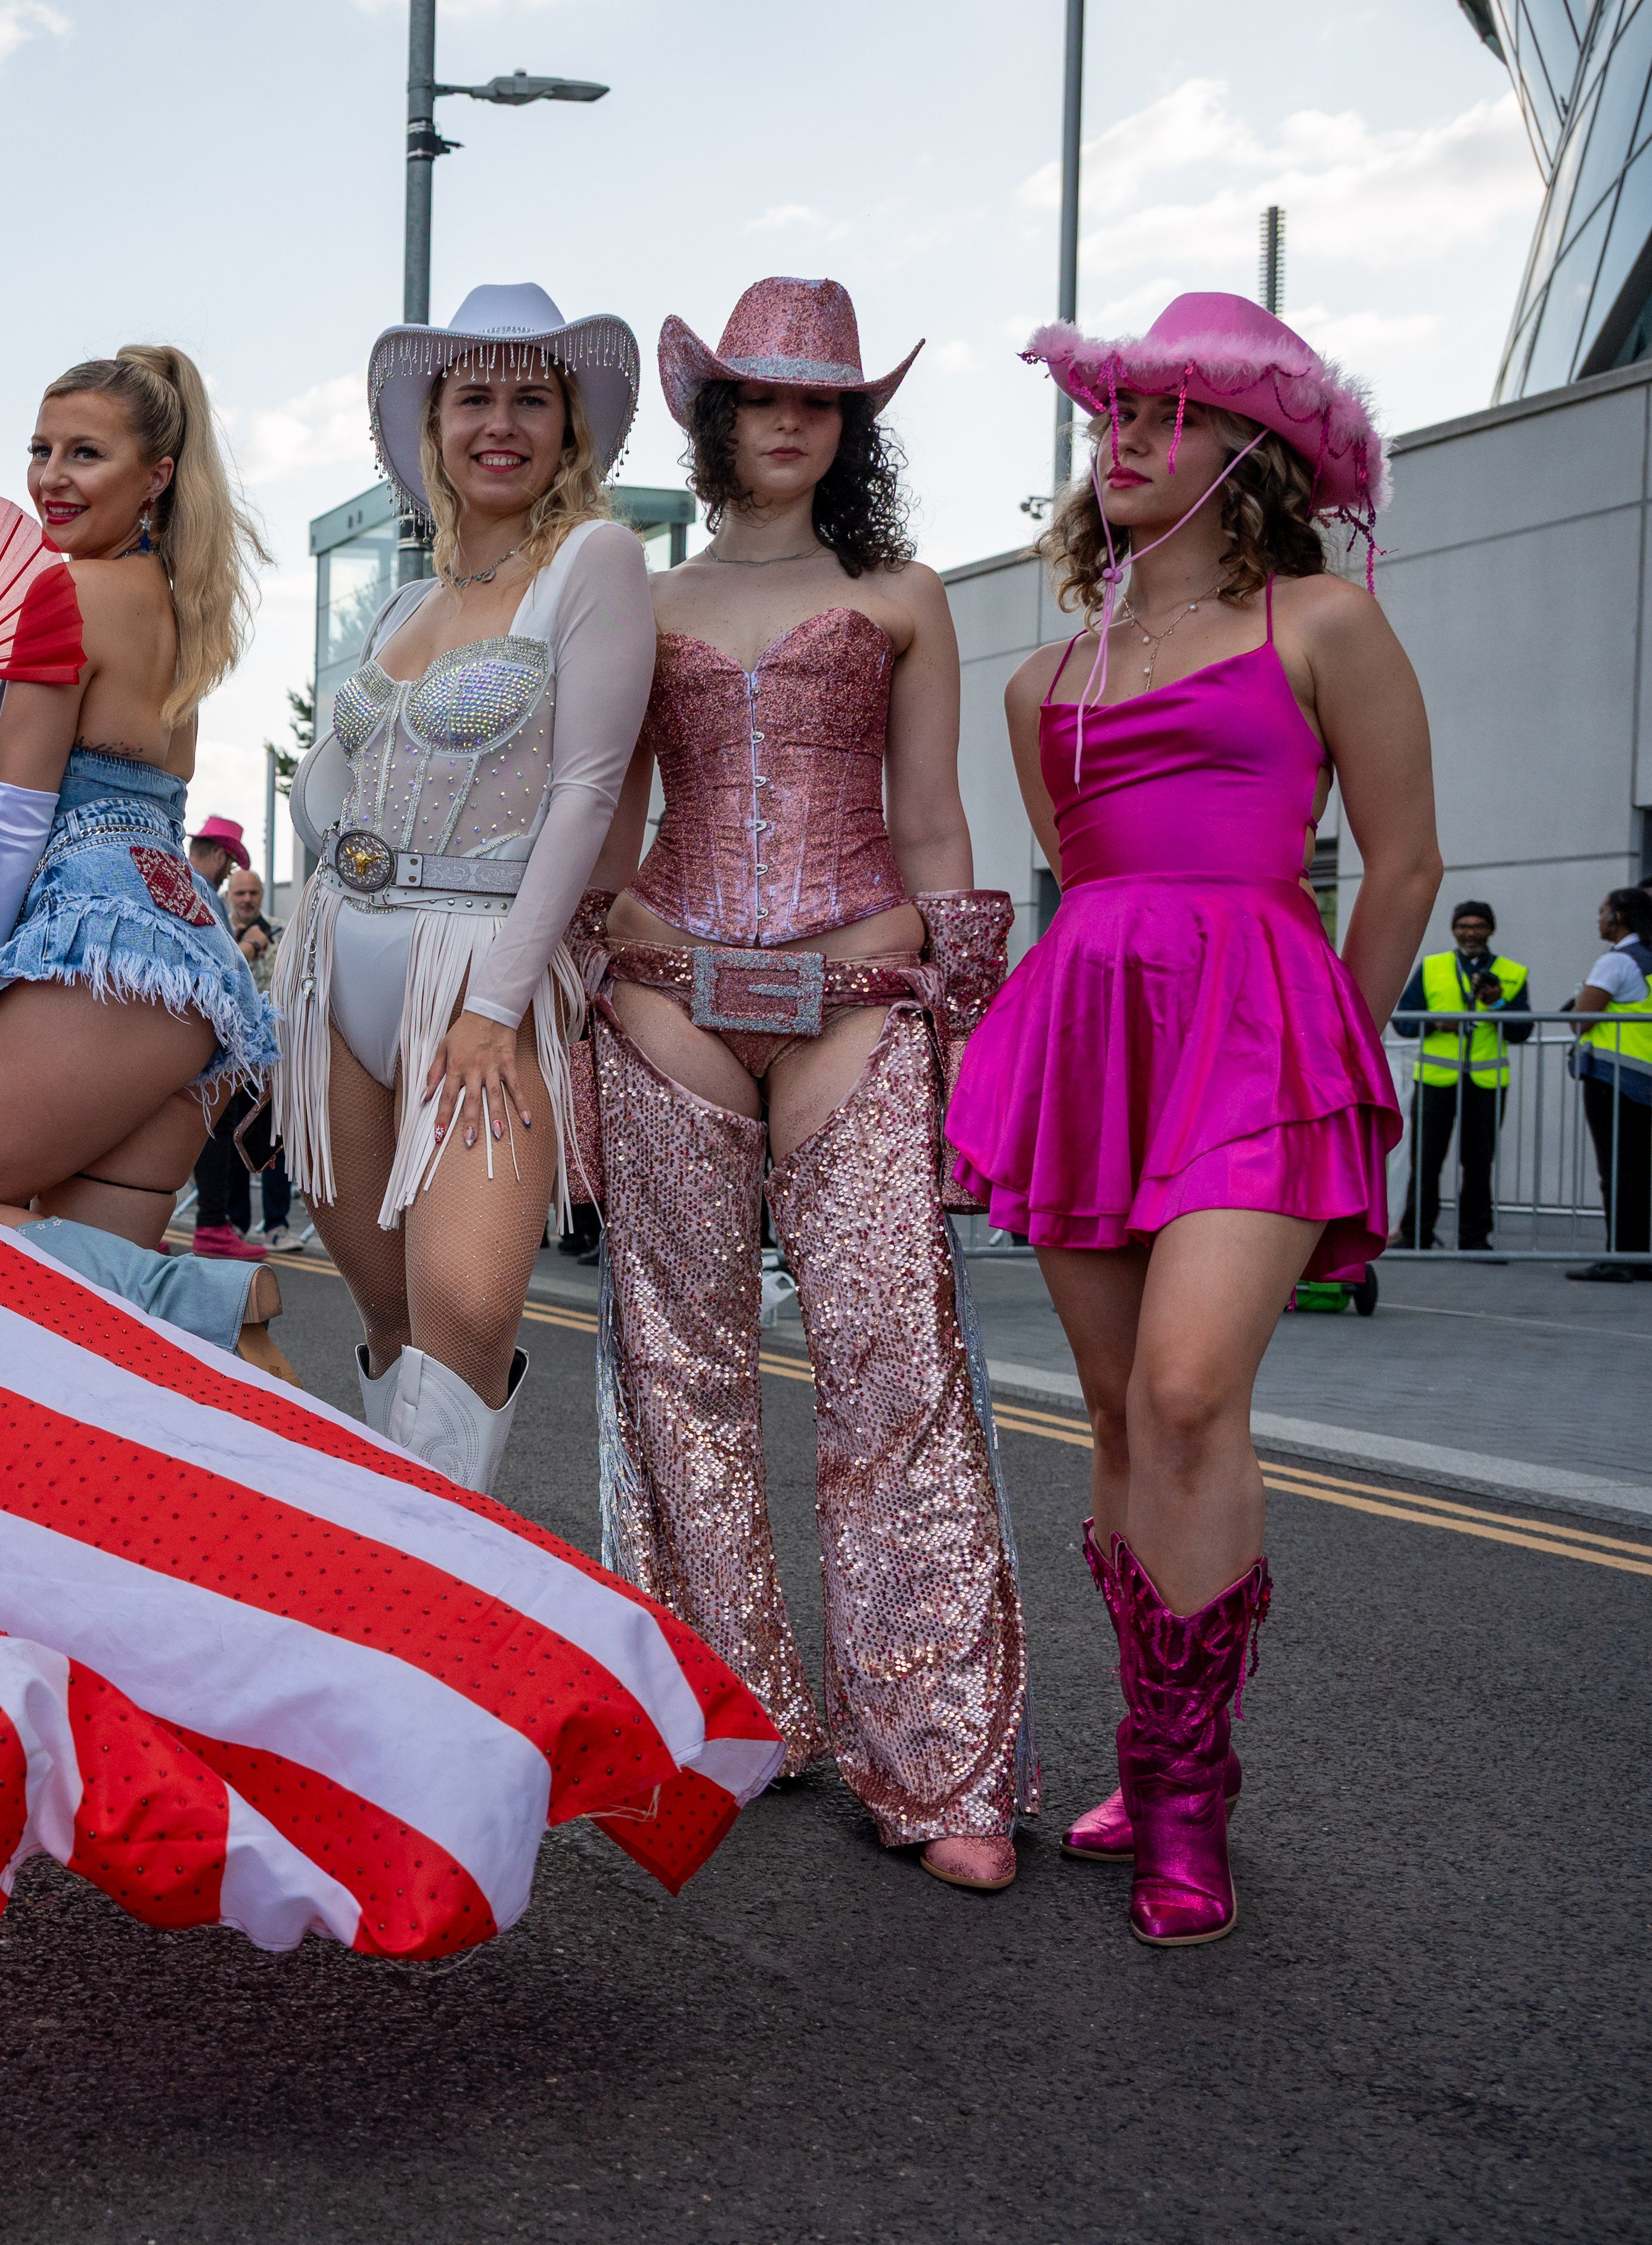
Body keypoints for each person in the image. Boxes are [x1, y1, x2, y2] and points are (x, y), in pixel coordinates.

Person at [948, 294, 1439, 1945]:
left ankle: (1186, 1789)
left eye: (1163, 414)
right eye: (1112, 416)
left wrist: (1323, 1061)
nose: (1122, 439)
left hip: (1260, 1041)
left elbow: (1404, 861)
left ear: (1252, 449)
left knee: (1184, 1385)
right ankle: (1143, 1754)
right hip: (1091, 1035)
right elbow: (1086, 888)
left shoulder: (1322, 622)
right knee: (1109, 1412)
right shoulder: (1039, 679)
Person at [577, 279, 1027, 1893]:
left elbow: (933, 823)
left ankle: (935, 1751)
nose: (789, 420)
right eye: (761, 395)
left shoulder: (901, 591)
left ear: (850, 426)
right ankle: (728, 1703)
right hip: (670, 988)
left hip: (857, 984)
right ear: (712, 419)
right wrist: (594, 957)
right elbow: (601, 809)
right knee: (677, 1365)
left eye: (820, 399)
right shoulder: (634, 592)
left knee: (887, 1363)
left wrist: (963, 1035)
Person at [274, 285, 653, 1488]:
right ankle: (400, 1593)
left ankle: (434, 1614)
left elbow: (588, 790)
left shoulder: (593, 558)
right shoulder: (403, 599)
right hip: (340, 966)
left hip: (477, 970)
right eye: (473, 396)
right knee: (389, 1313)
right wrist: (318, 915)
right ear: (432, 424)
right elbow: (316, 782)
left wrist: (495, 1004)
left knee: (468, 1310)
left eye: (530, 398)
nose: (501, 423)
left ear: (569, 427)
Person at [0, 346, 288, 1372]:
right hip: (194, 978)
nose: (51, 478)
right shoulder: (179, 608)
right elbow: (86, 804)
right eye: (40, 450)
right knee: (72, 1347)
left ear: (155, 475)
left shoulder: (62, 590)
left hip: (99, 956)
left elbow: (18, 829)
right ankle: (213, 1334)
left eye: (86, 453)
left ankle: (189, 1293)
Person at [1390, 900, 1531, 1252]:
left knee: (1479, 1163)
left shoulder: (1512, 972)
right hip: (1437, 1080)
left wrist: (1498, 1004)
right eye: (1464, 926)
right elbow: (1404, 1020)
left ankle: (1475, 1238)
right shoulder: (1433, 967)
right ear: (1454, 930)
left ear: (1491, 930)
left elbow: (1521, 1032)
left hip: (1486, 1083)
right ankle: (1416, 1235)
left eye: (1479, 926)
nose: (1471, 933)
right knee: (1426, 1161)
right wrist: (1437, 1023)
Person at [192, 863, 293, 1257]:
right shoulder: (217, 934)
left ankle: (277, 1226)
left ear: (262, 895)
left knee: (273, 1142)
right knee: (230, 1141)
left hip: (274, 1052)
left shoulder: (282, 932)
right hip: (232, 1054)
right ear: (230, 897)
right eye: (240, 894)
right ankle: (230, 1223)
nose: (247, 899)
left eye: (253, 893)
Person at [1565, 885, 1652, 1280]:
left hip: (1613, 1079)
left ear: (1618, 917)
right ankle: (1642, 1257)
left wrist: (1580, 996)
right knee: (1641, 1171)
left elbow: (1581, 1020)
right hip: (1645, 1080)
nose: (1598, 919)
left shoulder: (1617, 962)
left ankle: (1620, 1258)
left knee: (1616, 1171)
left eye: (1602, 912)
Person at [187, 815, 249, 916]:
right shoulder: (208, 898)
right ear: (220, 856)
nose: (229, 873)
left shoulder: (177, 885)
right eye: (231, 864)